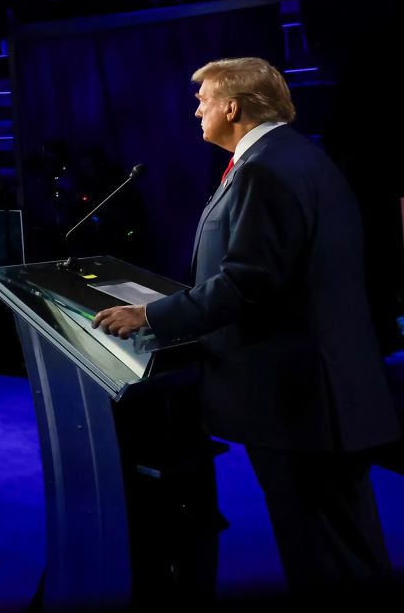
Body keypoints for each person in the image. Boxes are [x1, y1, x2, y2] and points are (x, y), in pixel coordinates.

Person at [92, 59, 399, 597]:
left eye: (203, 101)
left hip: (298, 405)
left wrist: (150, 316)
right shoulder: (298, 157)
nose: (197, 111)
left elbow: (247, 283)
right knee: (347, 548)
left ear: (232, 107)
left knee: (322, 555)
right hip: (322, 396)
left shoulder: (265, 170)